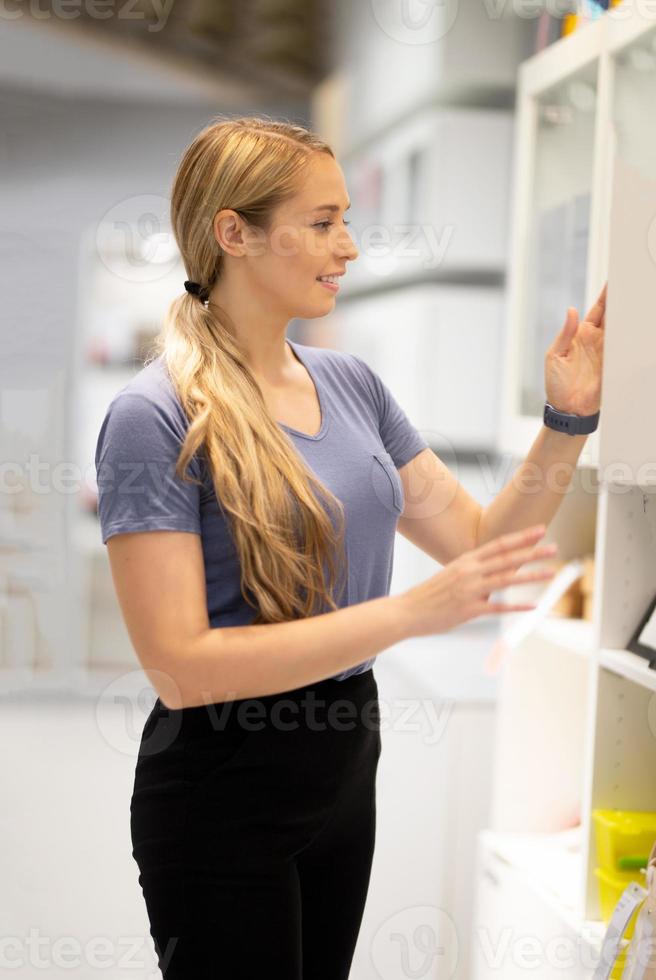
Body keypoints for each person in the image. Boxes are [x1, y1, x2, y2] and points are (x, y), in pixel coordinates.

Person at [94, 115, 558, 980]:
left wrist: (567, 420)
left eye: (346, 218)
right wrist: (405, 615)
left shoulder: (351, 384)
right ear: (233, 231)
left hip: (345, 753)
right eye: (321, 222)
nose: (347, 246)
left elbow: (478, 542)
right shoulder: (152, 416)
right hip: (223, 776)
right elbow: (180, 667)